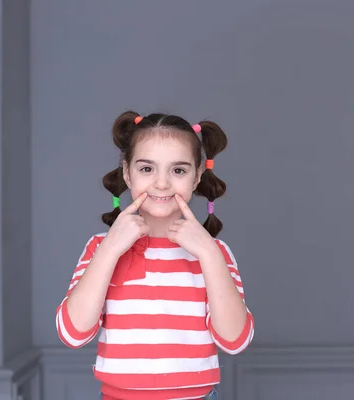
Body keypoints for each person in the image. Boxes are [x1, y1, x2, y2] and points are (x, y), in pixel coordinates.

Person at [55, 111, 254, 399]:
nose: (162, 183)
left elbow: (235, 341)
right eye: (147, 169)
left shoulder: (215, 253)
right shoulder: (100, 249)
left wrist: (209, 254)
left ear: (197, 176)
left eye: (178, 170)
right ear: (127, 172)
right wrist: (110, 248)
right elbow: (73, 334)